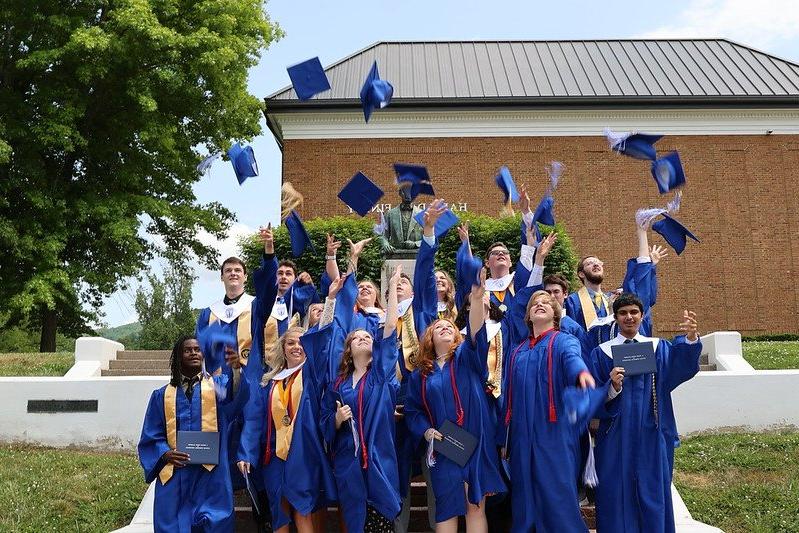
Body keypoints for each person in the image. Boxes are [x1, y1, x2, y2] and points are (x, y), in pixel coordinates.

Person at [236, 278, 347, 533]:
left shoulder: (312, 374)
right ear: (282, 348)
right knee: (279, 512)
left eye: (301, 342)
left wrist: (330, 300)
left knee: (303, 510)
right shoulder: (268, 382)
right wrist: (245, 453)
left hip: (304, 454)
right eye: (290, 343)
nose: (296, 346)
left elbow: (324, 342)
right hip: (274, 456)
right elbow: (253, 421)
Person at [589, 294, 701, 533]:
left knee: (652, 490)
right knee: (615, 492)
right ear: (616, 318)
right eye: (623, 313)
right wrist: (611, 388)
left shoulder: (658, 347)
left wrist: (690, 340)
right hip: (614, 435)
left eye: (633, 312)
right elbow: (591, 394)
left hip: (652, 431)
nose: (629, 317)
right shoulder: (601, 353)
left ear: (641, 316)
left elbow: (680, 369)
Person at [405, 270, 507, 532]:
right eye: (439, 327)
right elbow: (413, 410)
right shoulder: (421, 374)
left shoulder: (466, 357)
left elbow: (475, 330)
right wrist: (426, 430)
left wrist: (476, 299)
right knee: (447, 507)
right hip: (444, 444)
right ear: (430, 337)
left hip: (474, 440)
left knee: (475, 506)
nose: (445, 328)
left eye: (450, 326)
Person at [195, 226, 278, 532]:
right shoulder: (208, 313)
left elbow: (269, 287)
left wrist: (269, 252)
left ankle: (263, 516)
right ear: (222, 277)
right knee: (218, 452)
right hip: (217, 392)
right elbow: (199, 350)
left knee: (253, 444)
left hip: (250, 385)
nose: (233, 273)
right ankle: (216, 517)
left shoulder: (255, 306)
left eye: (238, 270)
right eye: (228, 270)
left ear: (244, 277)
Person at [502, 290, 599, 532]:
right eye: (535, 303)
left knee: (558, 498)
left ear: (556, 313)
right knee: (524, 501)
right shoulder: (517, 351)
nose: (540, 305)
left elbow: (572, 358)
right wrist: (503, 438)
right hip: (522, 437)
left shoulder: (563, 341)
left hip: (554, 434)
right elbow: (508, 398)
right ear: (528, 316)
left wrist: (581, 373)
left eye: (547, 302)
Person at [319, 266, 403, 532]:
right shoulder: (338, 385)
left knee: (380, 521)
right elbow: (325, 422)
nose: (364, 338)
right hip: (348, 459)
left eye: (368, 336)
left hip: (378, 456)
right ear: (349, 349)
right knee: (355, 521)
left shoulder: (380, 375)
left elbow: (389, 327)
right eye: (358, 337)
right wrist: (335, 419)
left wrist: (391, 288)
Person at [138, 336, 244, 532]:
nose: (194, 353)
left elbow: (237, 395)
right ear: (178, 356)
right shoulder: (161, 395)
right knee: (172, 524)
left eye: (197, 349)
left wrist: (237, 369)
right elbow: (151, 434)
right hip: (176, 472)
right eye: (188, 350)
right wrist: (165, 454)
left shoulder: (217, 387)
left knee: (215, 522)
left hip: (210, 474)